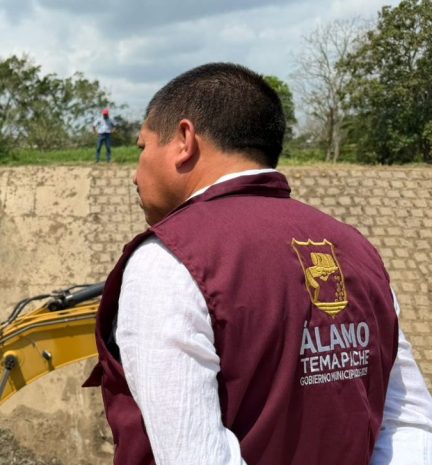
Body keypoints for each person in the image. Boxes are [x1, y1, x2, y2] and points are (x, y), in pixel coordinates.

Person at [84, 63, 432, 465]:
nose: (134, 172)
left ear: (183, 140)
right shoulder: (357, 249)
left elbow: (192, 456)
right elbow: (408, 423)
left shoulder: (168, 261)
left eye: (143, 147)